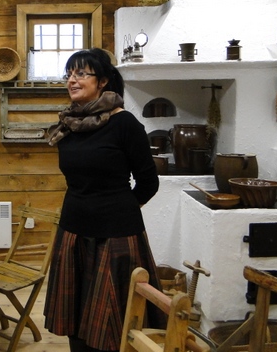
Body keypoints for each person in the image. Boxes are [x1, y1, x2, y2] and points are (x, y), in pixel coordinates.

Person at [43, 48, 165, 352]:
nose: (72, 80)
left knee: (114, 323)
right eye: (69, 74)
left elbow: (148, 182)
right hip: (73, 232)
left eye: (81, 73)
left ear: (103, 81)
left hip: (116, 236)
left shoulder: (125, 124)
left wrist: (119, 208)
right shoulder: (68, 125)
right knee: (75, 319)